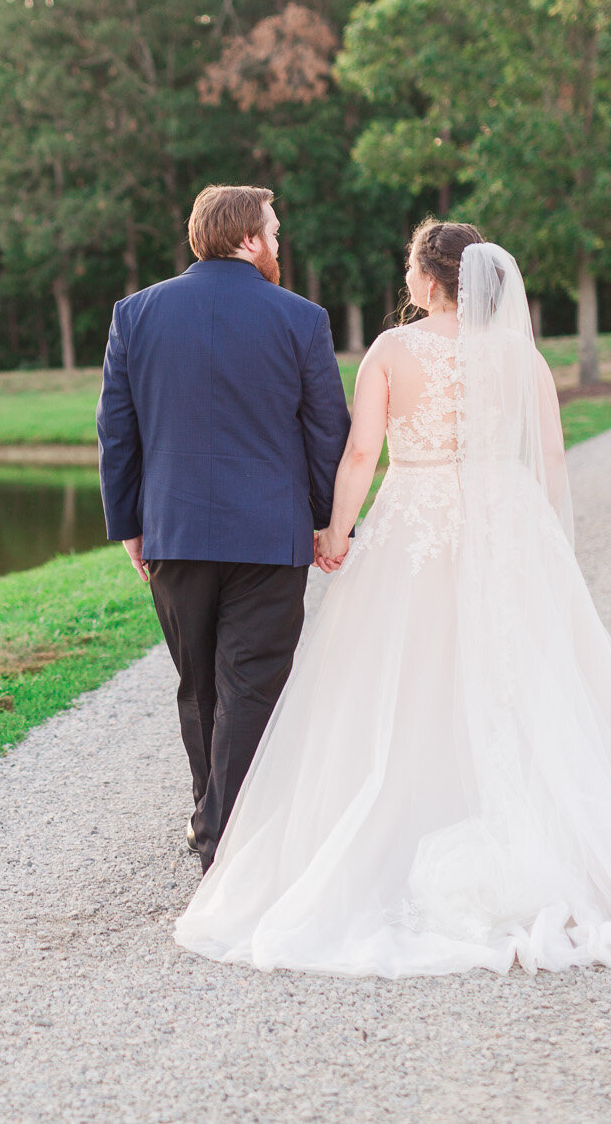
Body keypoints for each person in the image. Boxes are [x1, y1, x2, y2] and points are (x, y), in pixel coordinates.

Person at [173, 220, 611, 976]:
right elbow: (550, 458)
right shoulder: (522, 356)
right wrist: (543, 543)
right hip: (503, 521)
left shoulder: (392, 351)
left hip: (416, 523)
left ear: (429, 278)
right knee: (517, 680)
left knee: (402, 677)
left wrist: (336, 531)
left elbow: (362, 452)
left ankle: (395, 828)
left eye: (409, 268)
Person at [97, 185, 350, 872]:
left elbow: (117, 432)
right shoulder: (303, 319)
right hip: (272, 537)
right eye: (273, 231)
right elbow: (327, 431)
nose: (279, 243)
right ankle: (225, 840)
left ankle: (212, 817)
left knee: (200, 683)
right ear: (246, 239)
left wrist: (129, 524)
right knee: (250, 684)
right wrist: (330, 522)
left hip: (173, 532)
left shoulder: (136, 314)